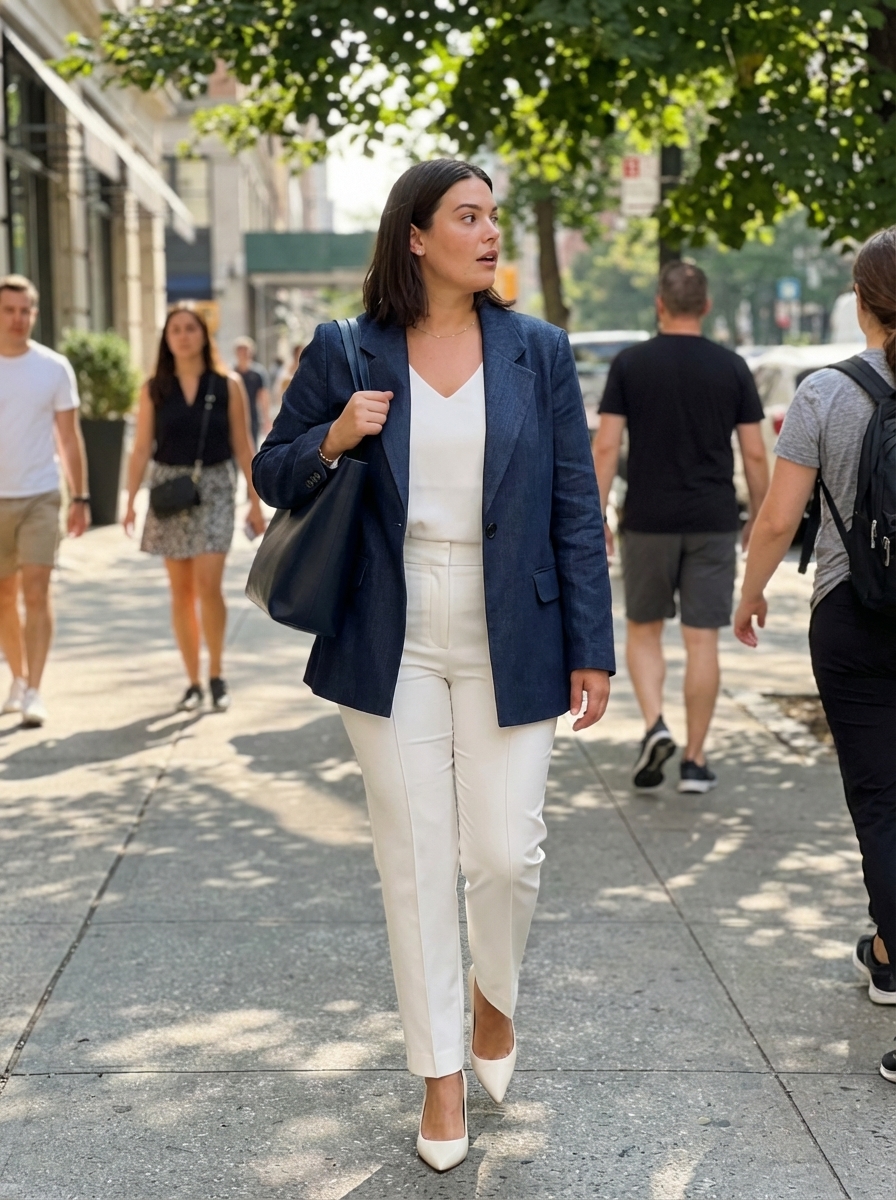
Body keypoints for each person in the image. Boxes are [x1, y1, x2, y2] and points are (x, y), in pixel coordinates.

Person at [253, 159, 615, 1170]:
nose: (489, 232)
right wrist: (333, 436)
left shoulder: (538, 351)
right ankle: (439, 1079)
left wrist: (591, 646)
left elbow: (574, 506)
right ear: (414, 236)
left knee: (506, 854)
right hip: (389, 627)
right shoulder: (346, 347)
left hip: (515, 627)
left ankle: (494, 1000)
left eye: (493, 216)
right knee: (413, 860)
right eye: (467, 216)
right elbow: (273, 470)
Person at [734, 226, 896, 1085]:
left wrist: (750, 592)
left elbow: (776, 517)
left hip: (854, 615)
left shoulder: (825, 393)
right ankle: (885, 953)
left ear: (861, 303)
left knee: (881, 803)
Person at [593, 262, 769, 793]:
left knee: (643, 629)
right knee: (702, 641)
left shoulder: (630, 364)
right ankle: (694, 761)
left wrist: (596, 514)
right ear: (707, 306)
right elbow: (754, 454)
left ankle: (655, 725)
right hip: (712, 520)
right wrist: (761, 519)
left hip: (647, 520)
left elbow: (606, 445)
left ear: (660, 305)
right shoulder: (732, 367)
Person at [123, 306, 266, 713]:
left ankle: (216, 674)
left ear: (204, 335)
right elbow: (140, 449)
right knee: (181, 591)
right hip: (169, 490)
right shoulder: (154, 388)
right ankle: (192, 682)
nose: (183, 336)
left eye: (190, 328)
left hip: (216, 487)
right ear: (166, 339)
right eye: (176, 330)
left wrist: (255, 502)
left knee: (208, 584)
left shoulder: (228, 384)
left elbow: (243, 446)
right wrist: (130, 501)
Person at [0, 274, 90, 727]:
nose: (17, 319)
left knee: (36, 590)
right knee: (4, 595)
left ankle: (34, 689)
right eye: (9, 310)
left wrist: (81, 497)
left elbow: (69, 438)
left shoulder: (54, 368)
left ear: (34, 314)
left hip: (40, 493)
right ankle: (17, 678)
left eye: (25, 311)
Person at [233, 336, 271, 447]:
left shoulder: (258, 373)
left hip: (252, 416)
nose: (243, 353)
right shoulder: (231, 373)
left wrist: (266, 419)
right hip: (233, 417)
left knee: (251, 446)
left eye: (246, 350)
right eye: (240, 350)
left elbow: (263, 396)